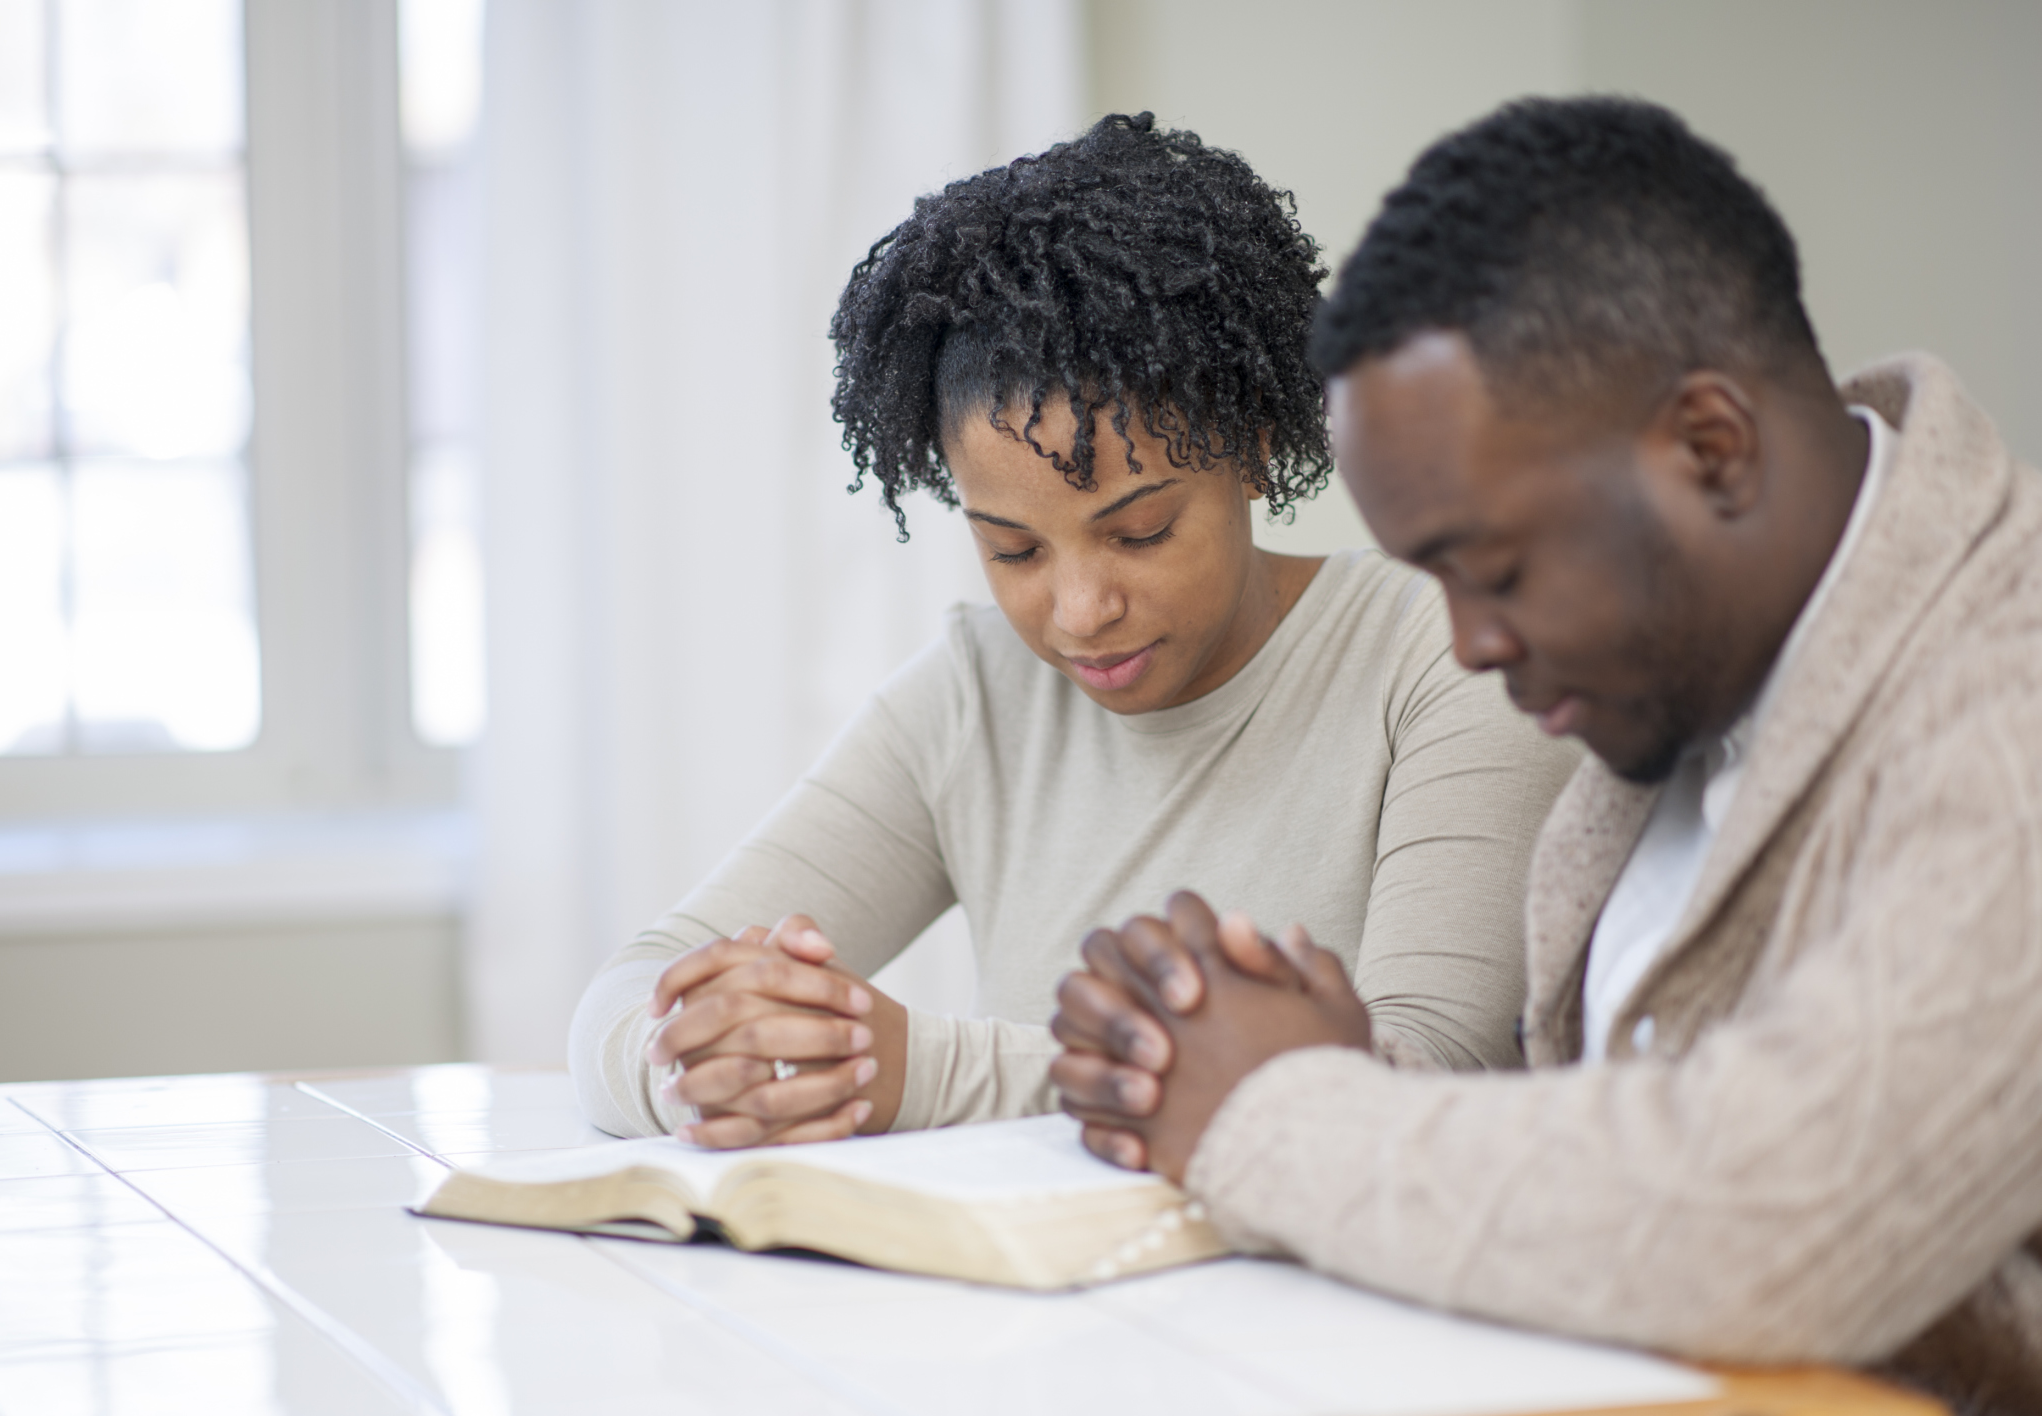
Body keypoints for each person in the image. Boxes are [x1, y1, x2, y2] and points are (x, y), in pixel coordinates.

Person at [1048, 97, 2042, 1411]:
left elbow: (1772, 1218)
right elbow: (1615, 1137)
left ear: (1709, 447)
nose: (1466, 645)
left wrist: (1278, 1109)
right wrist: (1315, 1064)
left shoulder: (2005, 707)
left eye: (1497, 570)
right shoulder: (1680, 691)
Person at [567, 113, 1577, 1151]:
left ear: (1256, 451)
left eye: (1139, 532)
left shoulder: (1447, 658)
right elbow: (631, 989)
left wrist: (922, 1071)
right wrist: (709, 1069)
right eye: (1013, 551)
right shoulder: (976, 698)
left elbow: (1426, 1071)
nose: (1079, 612)